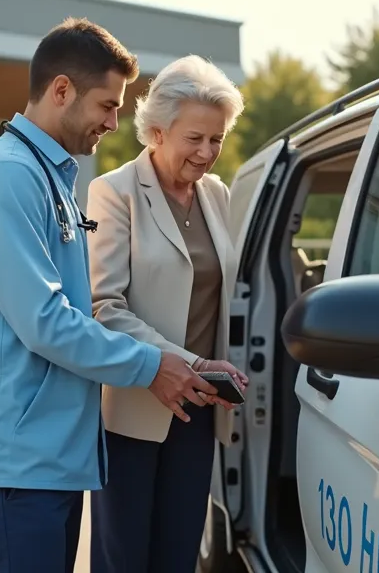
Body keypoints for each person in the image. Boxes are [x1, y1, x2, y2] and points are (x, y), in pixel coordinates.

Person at [0, 18, 220, 573]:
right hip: (16, 463)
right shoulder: (7, 176)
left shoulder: (49, 178)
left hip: (52, 457)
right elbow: (46, 320)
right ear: (61, 90)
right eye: (107, 105)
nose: (116, 123)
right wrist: (153, 365)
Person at [86, 54, 249, 573]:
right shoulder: (113, 192)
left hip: (198, 413)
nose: (207, 153)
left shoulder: (217, 196)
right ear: (156, 131)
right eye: (195, 138)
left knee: (179, 557)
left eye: (217, 139)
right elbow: (102, 306)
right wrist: (184, 363)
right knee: (124, 559)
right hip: (134, 409)